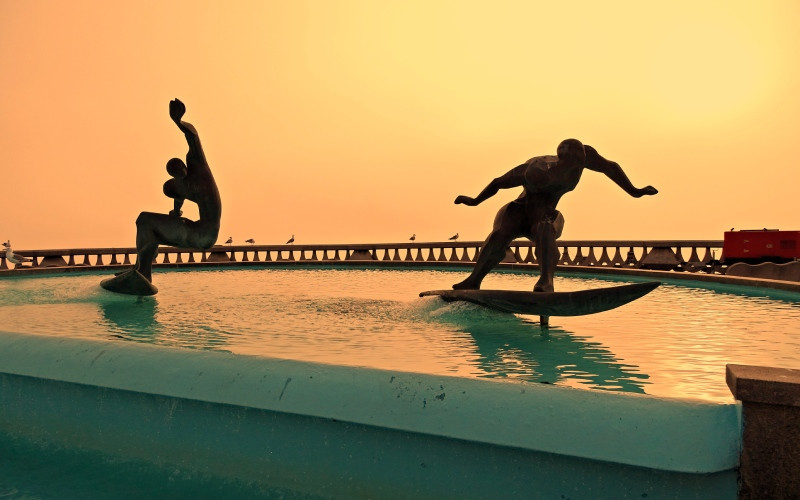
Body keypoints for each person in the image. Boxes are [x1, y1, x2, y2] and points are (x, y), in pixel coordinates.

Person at [452, 139, 657, 292]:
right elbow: (498, 182)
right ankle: (474, 280)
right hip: (520, 209)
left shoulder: (585, 156)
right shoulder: (535, 169)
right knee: (499, 236)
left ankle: (546, 281)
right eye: (573, 165)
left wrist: (635, 191)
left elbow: (610, 167)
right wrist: (474, 201)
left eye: (580, 164)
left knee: (546, 226)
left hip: (545, 212)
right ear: (560, 160)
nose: (577, 169)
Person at [101, 99, 221, 294]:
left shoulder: (197, 166)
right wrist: (174, 213)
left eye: (178, 167)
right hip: (201, 233)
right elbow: (177, 202)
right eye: (173, 172)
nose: (178, 172)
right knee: (150, 227)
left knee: (145, 220)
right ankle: (140, 269)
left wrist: (178, 122)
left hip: (204, 232)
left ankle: (143, 271)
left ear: (184, 165)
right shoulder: (184, 188)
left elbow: (194, 137)